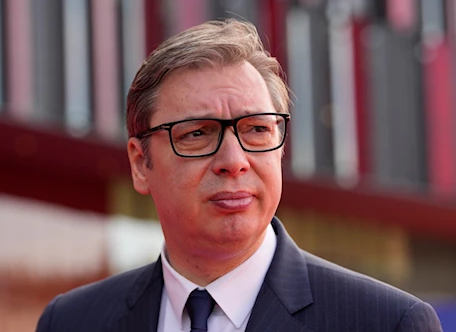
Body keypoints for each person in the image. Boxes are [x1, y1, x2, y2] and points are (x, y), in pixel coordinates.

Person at [36, 19, 442, 332]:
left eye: (257, 130)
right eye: (197, 133)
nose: (235, 160)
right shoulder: (73, 321)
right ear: (141, 164)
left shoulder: (385, 323)